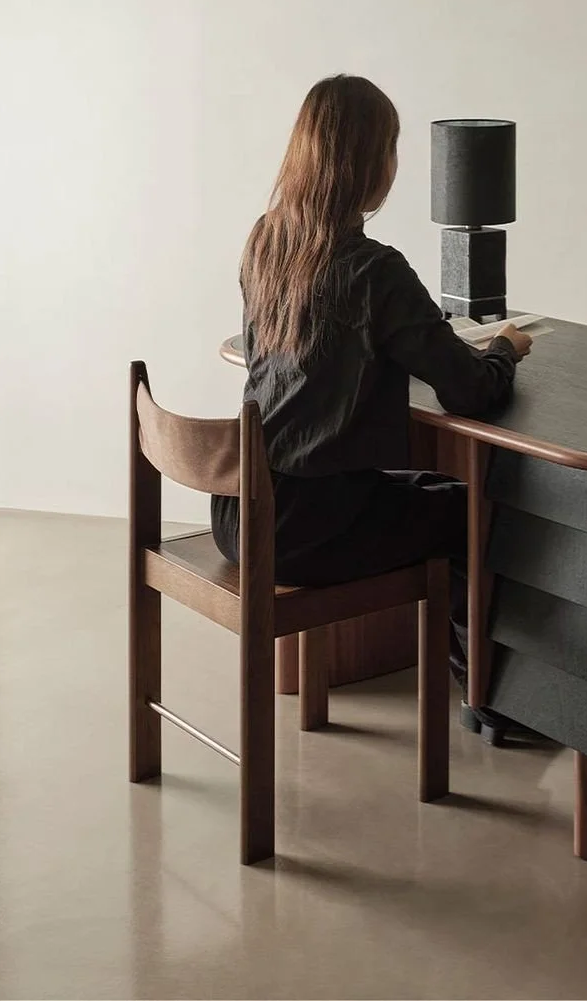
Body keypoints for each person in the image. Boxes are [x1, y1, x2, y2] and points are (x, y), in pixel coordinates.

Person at [210, 74, 533, 738]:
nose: (396, 161)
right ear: (369, 163)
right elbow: (470, 390)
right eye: (391, 146)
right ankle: (488, 698)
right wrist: (504, 347)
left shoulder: (267, 240)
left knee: (423, 491)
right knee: (469, 509)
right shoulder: (374, 270)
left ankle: (470, 682)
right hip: (303, 527)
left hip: (237, 513)